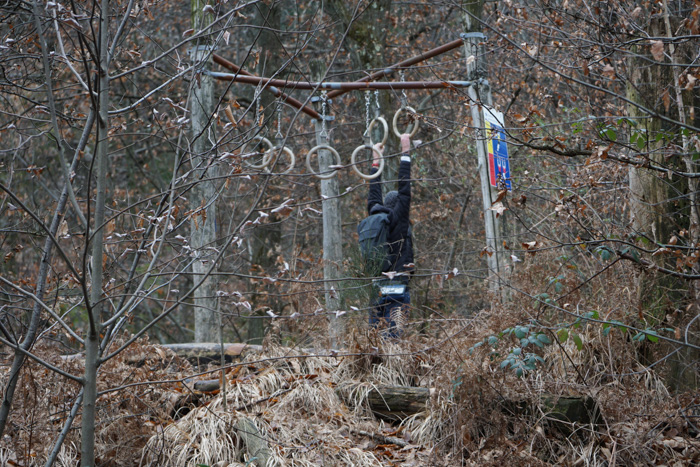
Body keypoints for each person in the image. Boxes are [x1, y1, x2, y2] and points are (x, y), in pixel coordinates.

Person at [366, 133, 414, 336]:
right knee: (393, 339)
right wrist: (405, 152)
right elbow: (404, 189)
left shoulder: (374, 216)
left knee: (375, 337)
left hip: (377, 287)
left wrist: (376, 161)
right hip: (397, 287)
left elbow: (373, 194)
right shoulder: (399, 221)